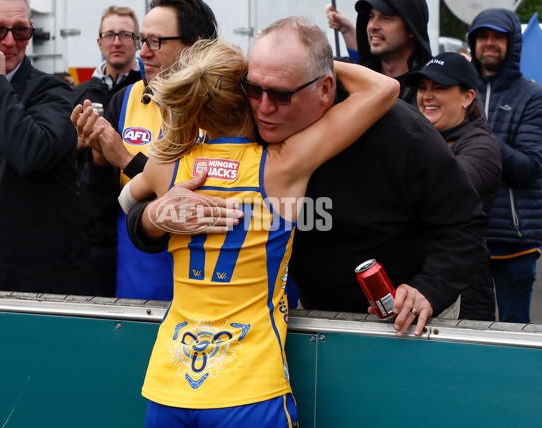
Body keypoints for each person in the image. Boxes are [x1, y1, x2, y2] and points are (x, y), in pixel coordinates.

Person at [127, 16, 489, 337]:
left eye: (282, 95)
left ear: (326, 89)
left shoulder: (399, 132)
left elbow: (464, 222)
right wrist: (153, 220)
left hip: (406, 320)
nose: (264, 108)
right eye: (254, 89)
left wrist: (429, 288)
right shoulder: (247, 123)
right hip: (307, 318)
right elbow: (142, 210)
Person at [113, 27, 398, 425]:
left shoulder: (168, 166)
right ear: (244, 99)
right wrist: (307, 66)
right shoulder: (281, 165)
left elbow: (126, 201)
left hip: (170, 381)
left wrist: (158, 213)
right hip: (248, 384)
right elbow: (382, 89)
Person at [71, 0, 218, 300]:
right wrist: (98, 159)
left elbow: (205, 202)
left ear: (196, 47)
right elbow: (98, 210)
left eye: (155, 42)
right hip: (135, 290)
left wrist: (127, 160)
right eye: (142, 40)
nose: (142, 52)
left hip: (207, 295)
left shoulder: (223, 111)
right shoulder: (125, 99)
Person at [0, 0, 92, 294]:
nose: (10, 42)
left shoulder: (55, 92)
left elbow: (30, 155)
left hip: (29, 290)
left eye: (22, 31)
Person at [406, 52, 502, 320]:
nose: (427, 96)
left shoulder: (483, 146)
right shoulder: (418, 137)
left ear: (467, 97)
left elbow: (442, 189)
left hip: (464, 288)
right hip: (418, 284)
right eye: (423, 88)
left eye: (440, 88)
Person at [468, 8, 542, 323]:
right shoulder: (456, 90)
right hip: (466, 237)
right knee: (467, 334)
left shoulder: (532, 95)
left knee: (514, 341)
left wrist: (479, 134)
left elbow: (529, 167)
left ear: (512, 43)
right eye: (483, 36)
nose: (489, 43)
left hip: (514, 241)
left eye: (498, 36)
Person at [72, 5, 144, 297]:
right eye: (110, 34)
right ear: (99, 42)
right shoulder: (78, 94)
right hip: (91, 230)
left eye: (125, 34)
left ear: (138, 41)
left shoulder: (148, 93)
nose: (117, 41)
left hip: (138, 225)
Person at [326, 0, 432, 105]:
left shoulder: (433, 85)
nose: (373, 26)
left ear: (411, 29)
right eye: (371, 17)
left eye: (386, 18)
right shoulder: (356, 83)